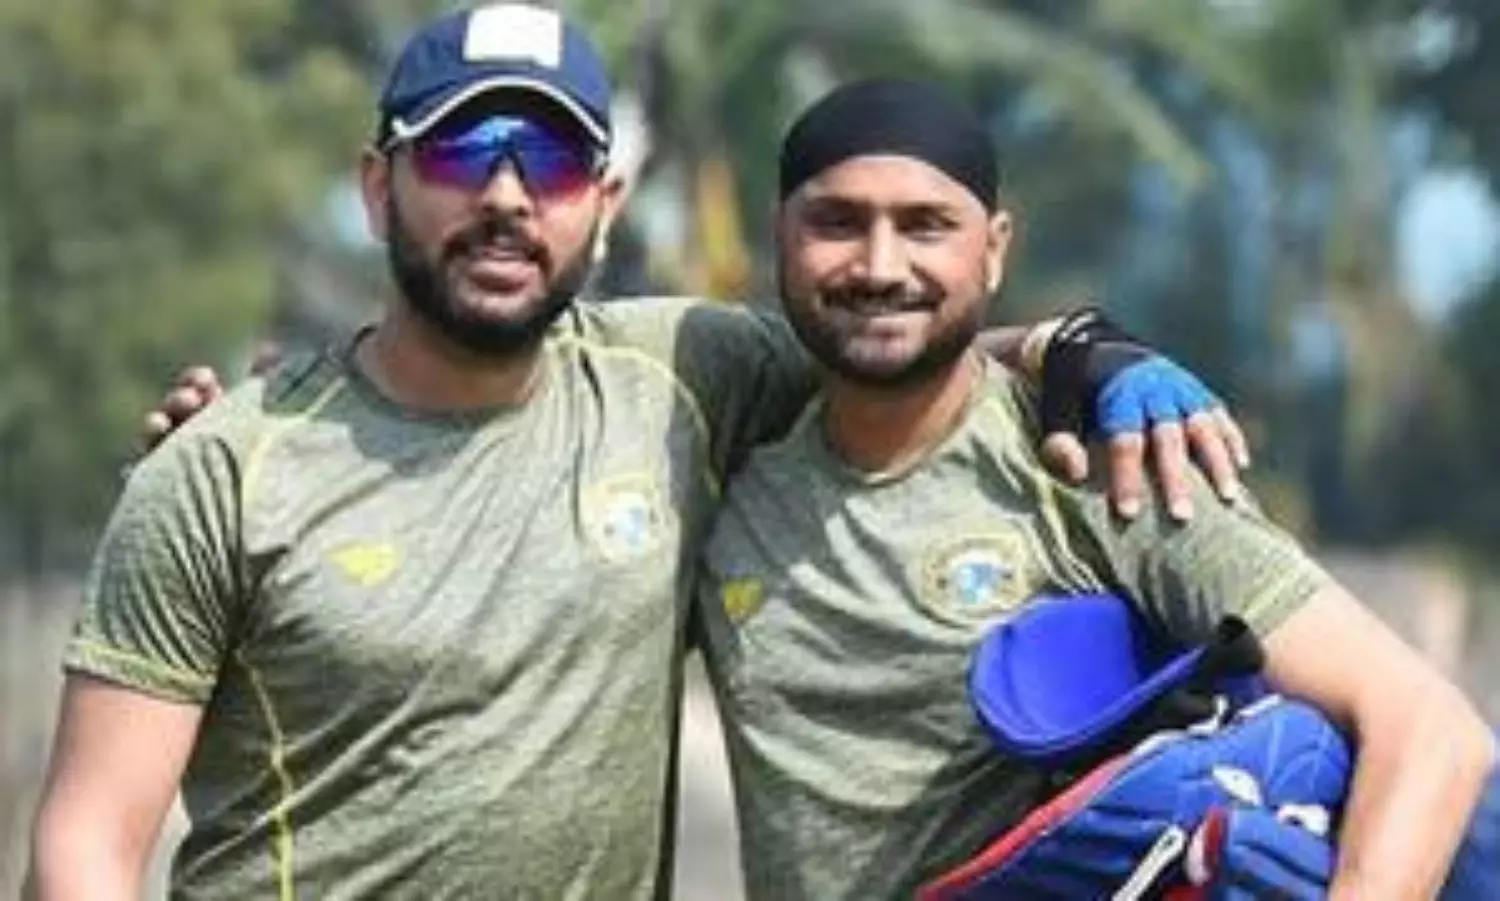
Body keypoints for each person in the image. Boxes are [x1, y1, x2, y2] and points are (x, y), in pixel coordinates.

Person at [23, 6, 1246, 900]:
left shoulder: (683, 376)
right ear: (378, 187)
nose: (508, 196)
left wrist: (1082, 349)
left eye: (552, 161)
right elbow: (85, 847)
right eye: (461, 152)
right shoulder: (223, 470)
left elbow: (892, 333)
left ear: (603, 208)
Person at [694, 78, 1497, 901]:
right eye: (837, 222)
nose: (880, 265)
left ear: (994, 249)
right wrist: (1054, 338)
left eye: (926, 225)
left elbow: (1432, 732)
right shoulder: (720, 473)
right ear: (780, 234)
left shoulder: (1108, 466)